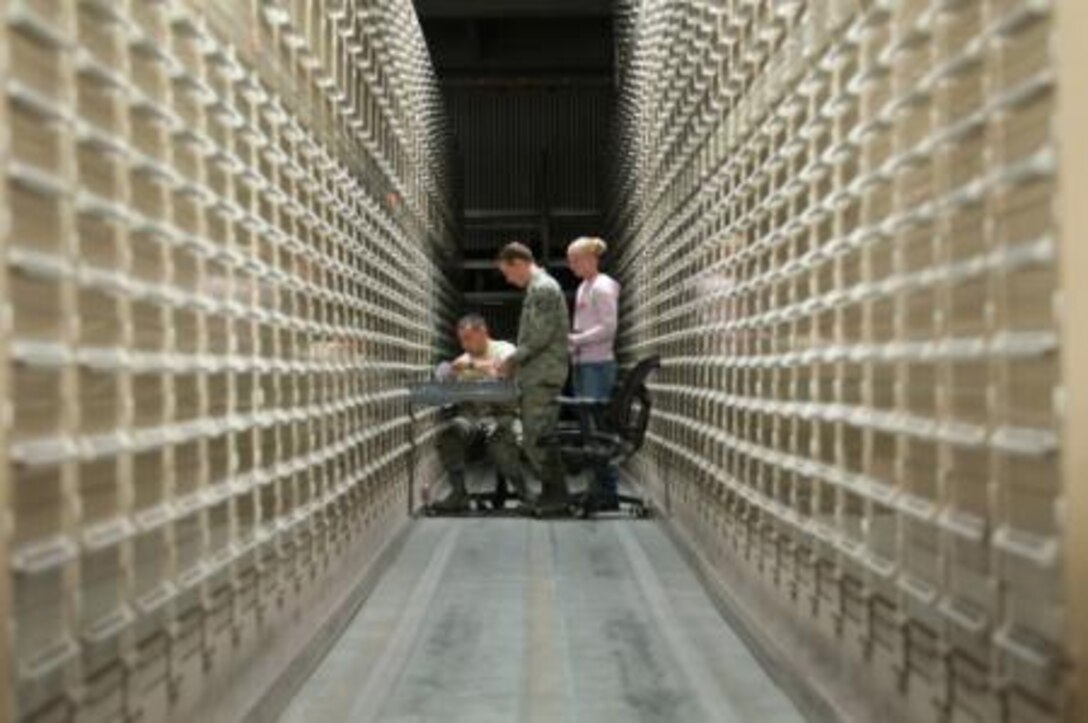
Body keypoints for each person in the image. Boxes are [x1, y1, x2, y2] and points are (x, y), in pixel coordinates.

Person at [494, 242, 571, 515]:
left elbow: (539, 337)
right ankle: (553, 495)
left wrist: (511, 360)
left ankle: (558, 497)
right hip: (537, 374)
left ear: (519, 262)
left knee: (536, 437)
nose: (507, 279)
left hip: (543, 375)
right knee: (540, 437)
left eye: (508, 272)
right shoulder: (538, 288)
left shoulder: (543, 289)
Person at [432, 314, 523, 512]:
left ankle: (526, 494)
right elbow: (446, 387)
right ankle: (459, 495)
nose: (464, 345)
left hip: (504, 416)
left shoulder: (504, 349)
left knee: (500, 440)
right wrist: (445, 375)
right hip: (474, 417)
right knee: (449, 435)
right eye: (461, 340)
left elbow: (504, 374)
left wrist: (473, 366)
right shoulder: (463, 360)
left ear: (483, 333)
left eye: (468, 338)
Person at [567, 236, 622, 505]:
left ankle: (608, 491)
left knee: (598, 429)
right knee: (589, 429)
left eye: (575, 259)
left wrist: (576, 340)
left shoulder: (603, 286)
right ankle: (599, 487)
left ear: (590, 258)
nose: (571, 264)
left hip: (598, 365)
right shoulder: (583, 288)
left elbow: (609, 327)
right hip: (583, 364)